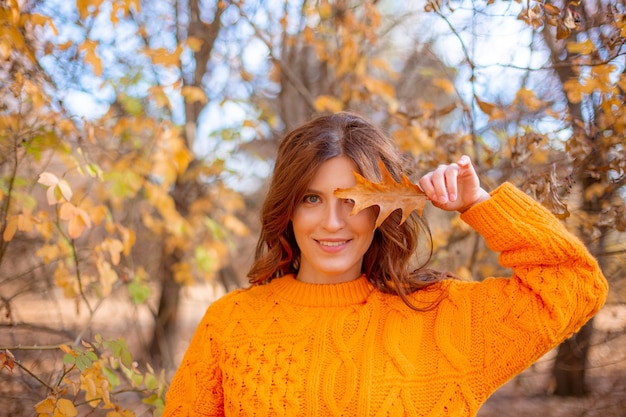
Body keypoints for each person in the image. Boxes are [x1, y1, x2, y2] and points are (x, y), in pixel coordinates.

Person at [162, 112, 608, 416]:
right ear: (288, 208)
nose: (332, 222)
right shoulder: (231, 323)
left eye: (351, 200)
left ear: (383, 210)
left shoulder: (440, 318)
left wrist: (479, 204)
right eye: (312, 198)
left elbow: (574, 282)